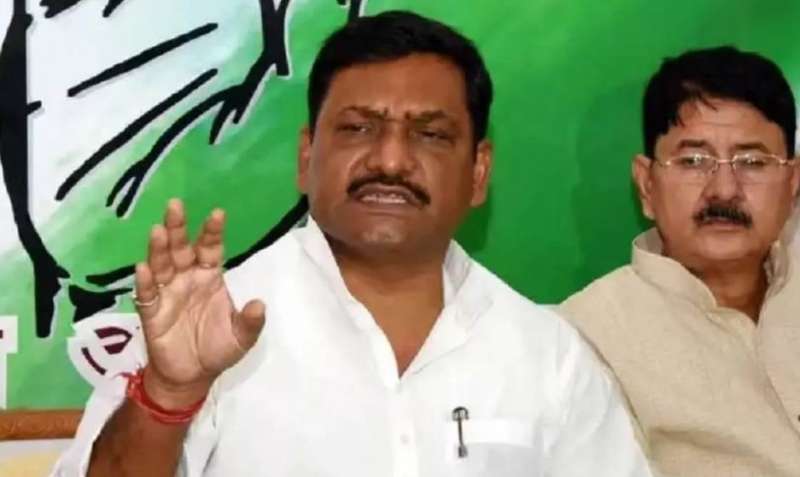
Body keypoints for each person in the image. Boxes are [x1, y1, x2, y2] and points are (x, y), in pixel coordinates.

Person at [54, 10, 651, 477]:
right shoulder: (209, 327)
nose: (390, 160)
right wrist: (168, 395)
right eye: (359, 128)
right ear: (306, 156)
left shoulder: (547, 355)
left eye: (430, 134)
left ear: (478, 172)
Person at [560, 46, 800, 477]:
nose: (724, 189)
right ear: (646, 185)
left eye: (752, 162)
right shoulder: (585, 338)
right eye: (693, 161)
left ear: (793, 182)